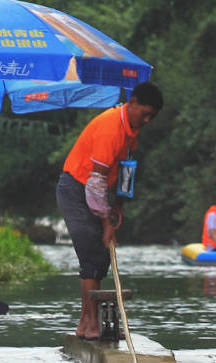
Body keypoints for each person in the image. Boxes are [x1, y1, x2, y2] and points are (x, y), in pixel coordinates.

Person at [56, 81, 164, 339]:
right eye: (144, 113)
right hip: (77, 189)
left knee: (101, 258)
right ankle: (92, 325)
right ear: (133, 102)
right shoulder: (111, 128)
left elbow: (124, 171)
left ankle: (85, 323)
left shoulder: (130, 130)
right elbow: (95, 184)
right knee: (93, 252)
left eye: (152, 117)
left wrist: (117, 205)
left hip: (96, 191)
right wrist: (106, 226)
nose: (147, 120)